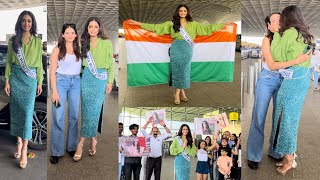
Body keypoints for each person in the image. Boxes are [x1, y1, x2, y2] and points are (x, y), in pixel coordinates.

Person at [246, 12, 311, 170]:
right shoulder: (267, 39)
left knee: (279, 118)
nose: (278, 22)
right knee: (259, 117)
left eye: (280, 19)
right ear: (269, 25)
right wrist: (297, 60)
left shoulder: (289, 37)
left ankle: (276, 151)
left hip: (285, 80)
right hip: (268, 79)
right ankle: (253, 155)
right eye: (274, 20)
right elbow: (273, 65)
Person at [129, 4, 226, 105]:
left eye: (184, 10)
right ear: (177, 12)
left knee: (184, 70)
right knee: (177, 70)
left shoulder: (194, 24)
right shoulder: (171, 23)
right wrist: (138, 23)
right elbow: (156, 27)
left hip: (187, 49)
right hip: (176, 47)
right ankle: (179, 92)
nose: (183, 12)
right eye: (181, 11)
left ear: (187, 12)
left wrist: (224, 25)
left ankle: (178, 91)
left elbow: (208, 29)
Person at [269, 5, 313, 175]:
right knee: (291, 119)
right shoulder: (305, 34)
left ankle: (289, 160)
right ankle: (288, 157)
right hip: (301, 78)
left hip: (293, 79)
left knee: (286, 119)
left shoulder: (289, 33)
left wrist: (276, 34)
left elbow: (278, 56)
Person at [5, 10, 43, 169]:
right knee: (17, 112)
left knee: (27, 114)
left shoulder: (37, 42)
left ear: (32, 23)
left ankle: (25, 148)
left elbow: (40, 64)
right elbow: (8, 62)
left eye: (29, 21)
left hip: (30, 80)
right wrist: (7, 80)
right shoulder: (13, 41)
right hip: (16, 78)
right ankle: (19, 143)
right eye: (23, 21)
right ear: (20, 23)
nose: (26, 23)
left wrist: (40, 82)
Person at [73, 17, 114, 161]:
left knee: (96, 110)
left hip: (100, 79)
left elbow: (111, 64)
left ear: (100, 28)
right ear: (87, 28)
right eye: (90, 26)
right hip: (87, 78)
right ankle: (91, 139)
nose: (93, 29)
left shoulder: (107, 43)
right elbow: (78, 63)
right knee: (86, 110)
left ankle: (84, 141)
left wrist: (110, 81)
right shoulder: (83, 42)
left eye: (95, 26)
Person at [49, 23, 81, 164]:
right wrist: (54, 92)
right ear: (62, 34)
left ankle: (71, 147)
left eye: (72, 32)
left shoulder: (78, 49)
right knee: (58, 117)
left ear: (75, 34)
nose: (70, 35)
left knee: (74, 116)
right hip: (60, 82)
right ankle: (56, 151)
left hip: (76, 82)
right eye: (67, 32)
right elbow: (52, 73)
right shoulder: (57, 50)